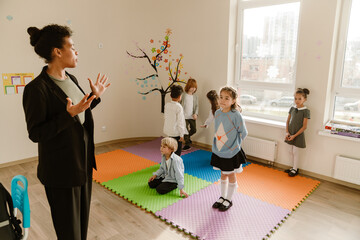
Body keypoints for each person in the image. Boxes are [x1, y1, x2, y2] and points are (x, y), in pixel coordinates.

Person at [23, 24, 110, 240]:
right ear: (57, 51)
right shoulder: (36, 89)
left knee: (81, 228)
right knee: (69, 232)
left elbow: (78, 113)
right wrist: (68, 115)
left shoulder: (72, 79)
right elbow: (36, 133)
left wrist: (94, 97)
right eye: (72, 46)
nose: (76, 51)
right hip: (61, 173)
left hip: (82, 166)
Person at [211, 87, 247, 212]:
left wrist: (235, 145)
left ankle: (229, 199)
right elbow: (218, 130)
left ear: (233, 101)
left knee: (231, 174)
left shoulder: (236, 115)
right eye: (221, 97)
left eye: (227, 98)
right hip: (219, 150)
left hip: (231, 151)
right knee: (222, 173)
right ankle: (222, 196)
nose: (223, 100)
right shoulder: (217, 113)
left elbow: (243, 132)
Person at [284, 88, 310, 177]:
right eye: (295, 98)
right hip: (290, 134)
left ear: (304, 99)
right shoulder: (292, 108)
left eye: (299, 99)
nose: (297, 101)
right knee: (290, 151)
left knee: (295, 151)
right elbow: (287, 121)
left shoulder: (306, 111)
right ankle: (293, 167)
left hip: (298, 134)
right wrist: (287, 132)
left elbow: (304, 126)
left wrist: (294, 135)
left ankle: (295, 169)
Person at [163, 85, 188, 156]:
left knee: (169, 150)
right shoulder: (178, 107)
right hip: (176, 133)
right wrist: (181, 134)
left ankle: (168, 164)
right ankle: (175, 165)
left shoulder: (167, 105)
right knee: (176, 152)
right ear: (180, 97)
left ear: (170, 95)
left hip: (168, 132)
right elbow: (181, 122)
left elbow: (165, 117)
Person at [180, 78, 199, 151]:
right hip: (184, 116)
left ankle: (187, 138)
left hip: (191, 116)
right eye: (192, 87)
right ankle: (187, 145)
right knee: (185, 130)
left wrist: (196, 114)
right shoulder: (183, 95)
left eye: (195, 87)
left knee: (194, 130)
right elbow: (179, 104)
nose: (193, 89)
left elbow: (197, 106)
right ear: (188, 86)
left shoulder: (195, 96)